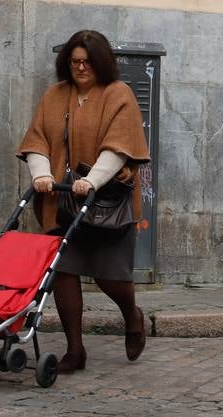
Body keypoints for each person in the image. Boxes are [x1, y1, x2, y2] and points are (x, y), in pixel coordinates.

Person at [16, 30, 151, 373]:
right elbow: (37, 140)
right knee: (64, 271)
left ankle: (132, 317)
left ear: (100, 63)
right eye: (74, 61)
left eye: (87, 62)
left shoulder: (118, 95)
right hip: (61, 202)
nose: (80, 68)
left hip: (106, 202)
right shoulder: (54, 95)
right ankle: (75, 351)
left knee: (110, 278)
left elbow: (120, 146)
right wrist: (41, 173)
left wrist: (92, 180)